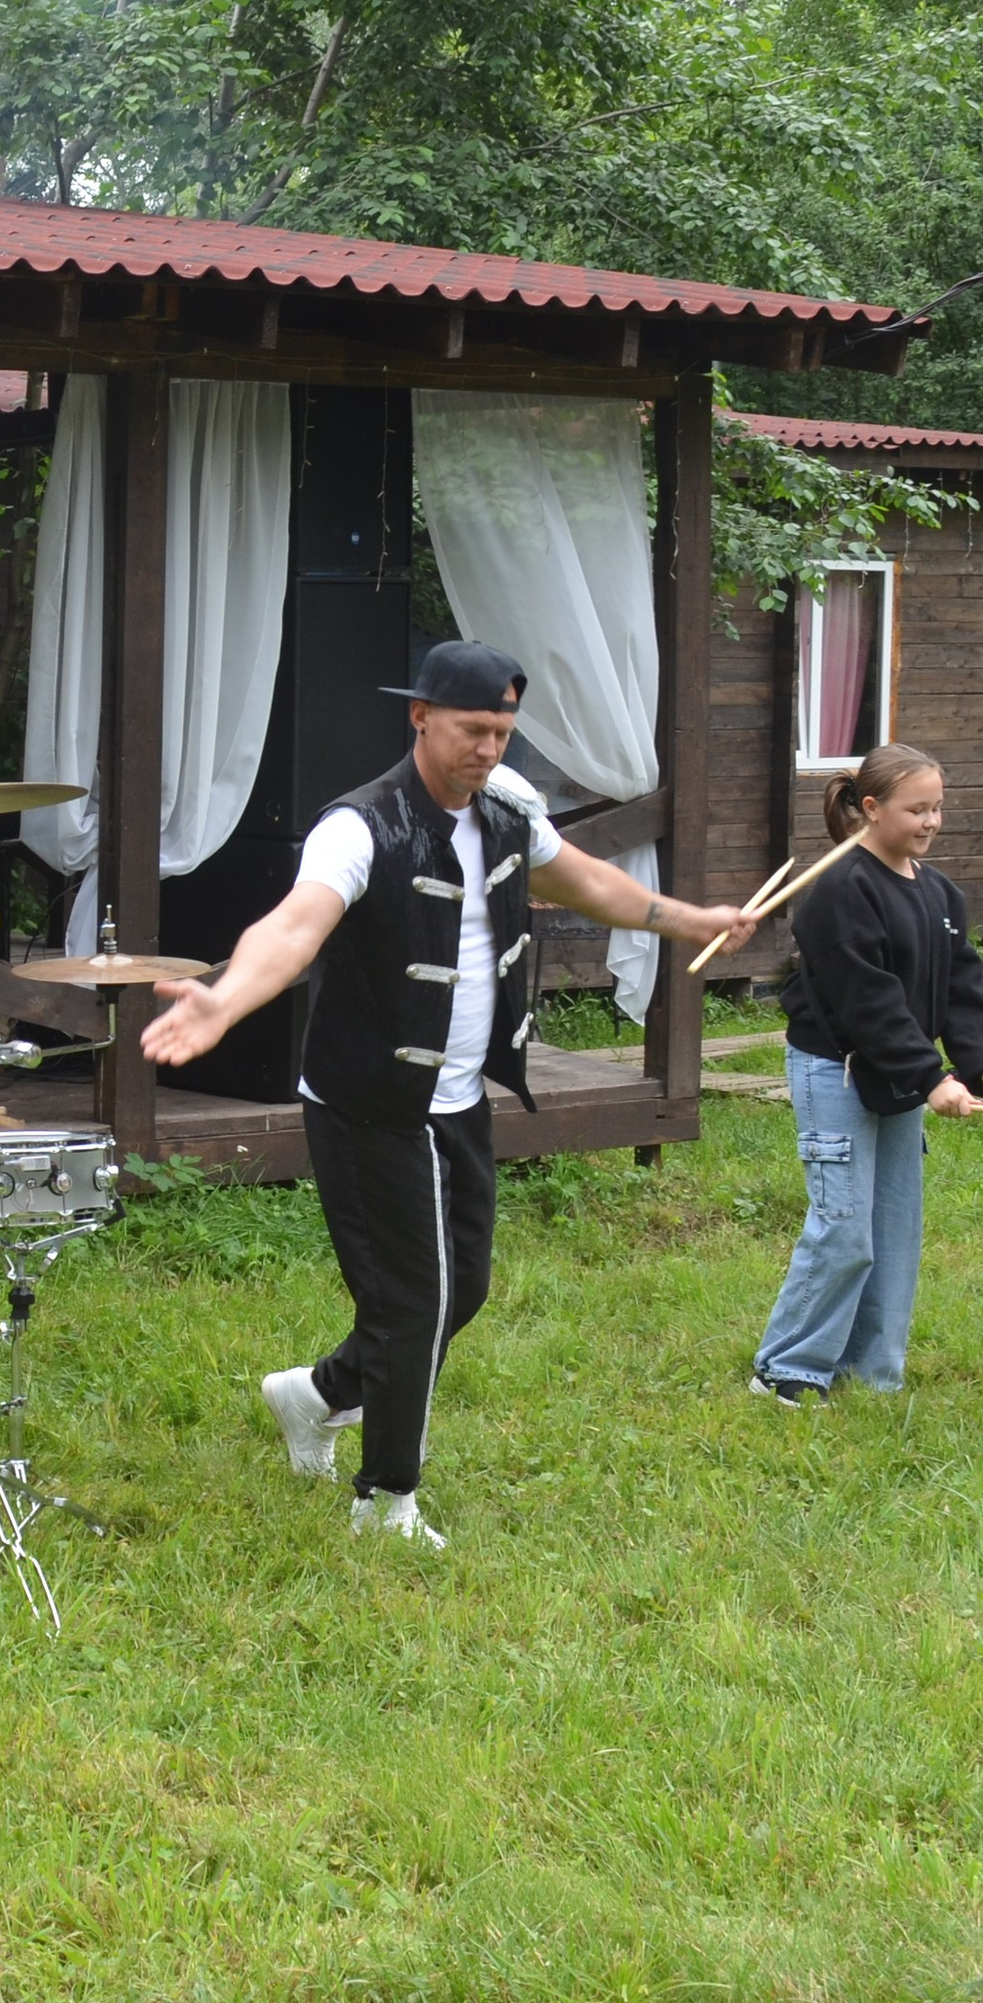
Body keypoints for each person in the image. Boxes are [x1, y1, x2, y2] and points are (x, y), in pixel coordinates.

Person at [142, 640, 757, 1549]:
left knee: (458, 1288)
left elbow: (585, 880)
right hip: (368, 1101)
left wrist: (688, 920)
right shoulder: (359, 826)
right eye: (473, 729)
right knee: (412, 1302)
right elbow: (294, 928)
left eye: (503, 732)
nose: (488, 749)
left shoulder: (507, 810)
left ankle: (313, 1394)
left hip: (459, 1096)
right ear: (419, 716)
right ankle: (386, 1502)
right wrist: (224, 1000)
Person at [750, 743, 983, 1405]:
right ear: (873, 809)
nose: (932, 821)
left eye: (938, 807)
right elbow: (867, 1000)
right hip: (838, 1073)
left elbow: (963, 992)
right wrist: (932, 1077)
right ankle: (786, 1370)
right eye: (918, 809)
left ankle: (871, 1374)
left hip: (900, 1078)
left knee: (894, 1232)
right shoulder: (841, 892)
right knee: (845, 1229)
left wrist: (976, 1069)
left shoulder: (939, 894)